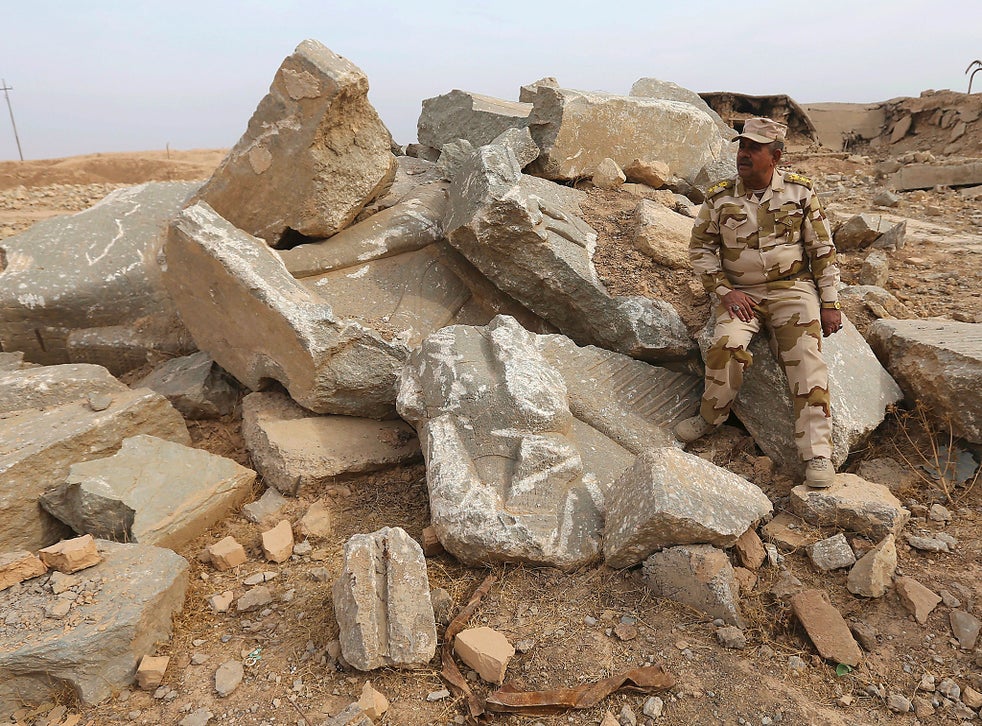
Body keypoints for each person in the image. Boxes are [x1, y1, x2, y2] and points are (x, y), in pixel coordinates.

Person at [673, 117, 842, 487]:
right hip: (741, 293)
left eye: (754, 148)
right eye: (742, 146)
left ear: (775, 157)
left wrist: (830, 303)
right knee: (726, 346)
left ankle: (817, 453)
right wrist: (724, 291)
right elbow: (701, 250)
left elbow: (822, 250)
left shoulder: (800, 192)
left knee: (807, 359)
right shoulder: (720, 196)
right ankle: (710, 418)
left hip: (792, 290)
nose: (743, 154)